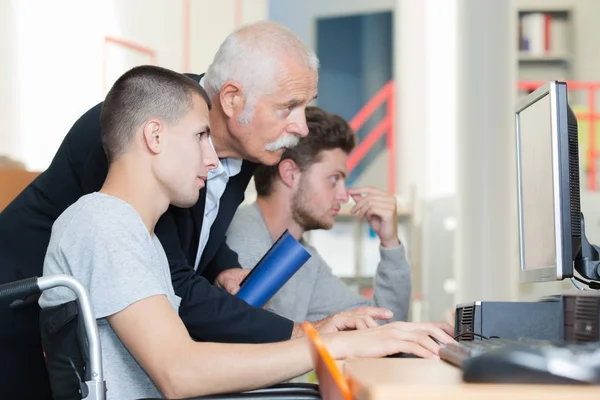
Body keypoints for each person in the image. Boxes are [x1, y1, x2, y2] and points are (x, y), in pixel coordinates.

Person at [0, 21, 401, 398]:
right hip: (19, 307)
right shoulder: (110, 214)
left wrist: (222, 266)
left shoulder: (164, 215)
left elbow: (199, 234)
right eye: (289, 106)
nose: (301, 127)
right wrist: (316, 339)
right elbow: (178, 364)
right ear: (231, 100)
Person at [226, 106, 411, 322]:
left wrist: (390, 244)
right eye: (334, 179)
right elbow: (253, 340)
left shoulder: (304, 257)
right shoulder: (241, 239)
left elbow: (381, 323)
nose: (343, 196)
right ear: (290, 174)